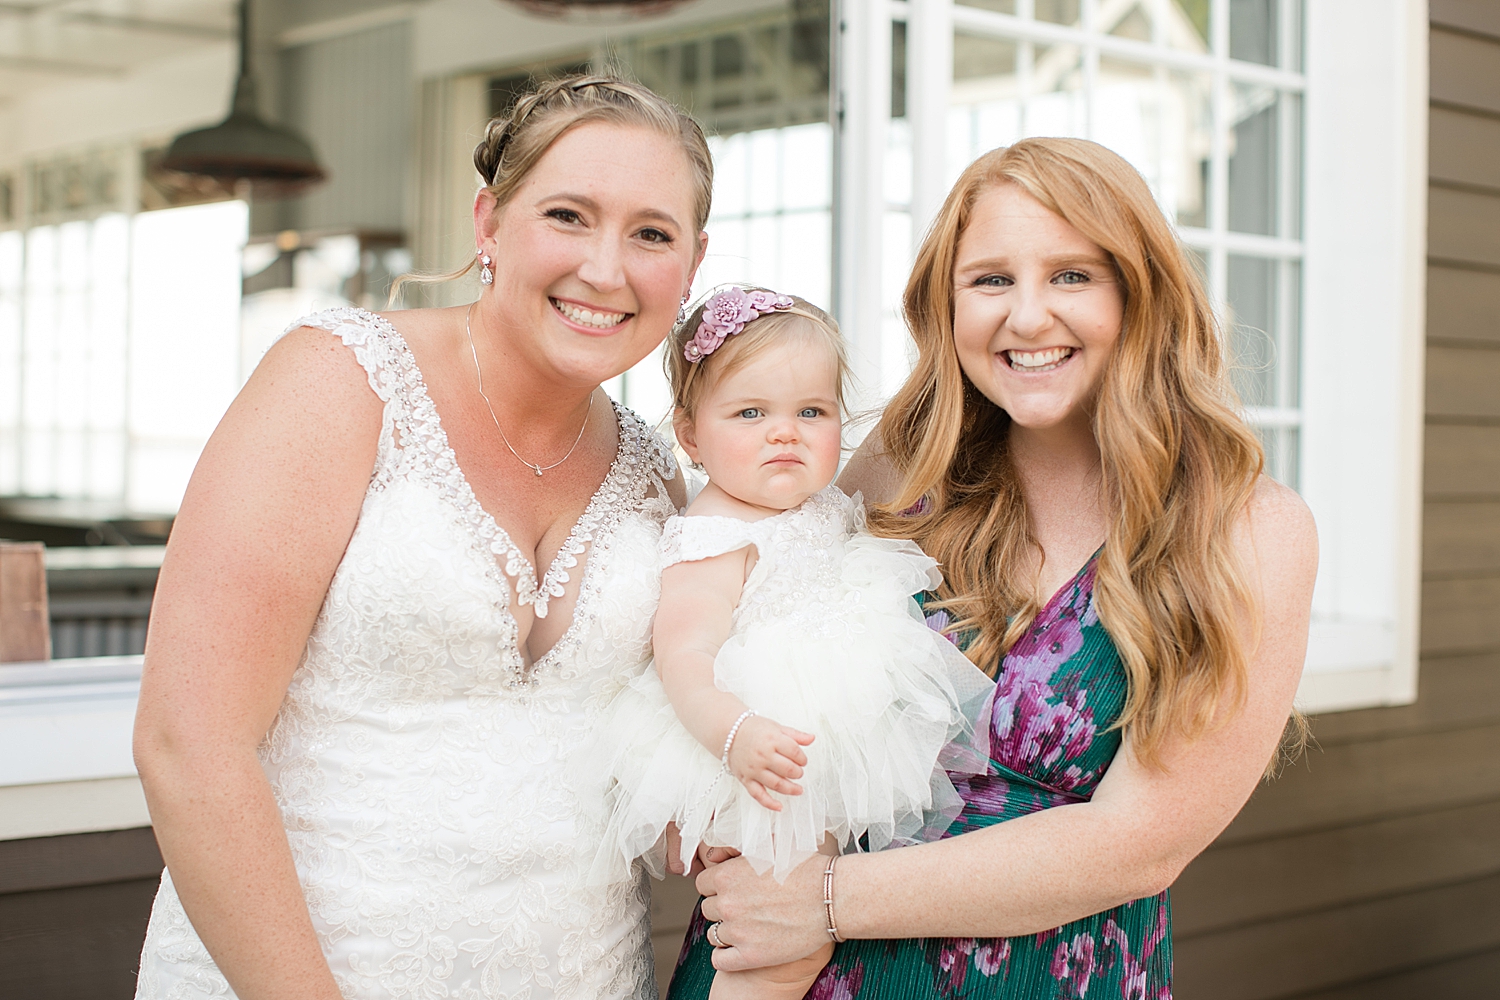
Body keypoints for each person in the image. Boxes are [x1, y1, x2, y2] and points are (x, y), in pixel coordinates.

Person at [668, 138, 1317, 998]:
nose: (1029, 316)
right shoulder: (908, 461)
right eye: (990, 280)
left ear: (1141, 290)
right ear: (947, 304)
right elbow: (746, 608)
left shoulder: (1248, 530)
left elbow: (1143, 843)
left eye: (1073, 276)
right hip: (782, 963)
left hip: (1033, 974)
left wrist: (826, 900)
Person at [131, 74, 711, 1000]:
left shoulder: (656, 474)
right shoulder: (341, 383)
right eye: (567, 215)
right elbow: (187, 742)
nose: (607, 268)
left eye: (652, 233)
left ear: (692, 261)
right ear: (488, 223)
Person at [588, 287, 993, 1000]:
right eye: (751, 414)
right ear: (690, 436)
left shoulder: (827, 506)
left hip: (830, 731)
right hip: (756, 742)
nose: (786, 433)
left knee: (809, 905)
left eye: (812, 412)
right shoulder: (713, 535)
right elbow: (683, 655)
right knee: (769, 936)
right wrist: (732, 732)